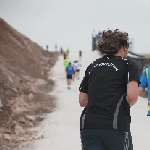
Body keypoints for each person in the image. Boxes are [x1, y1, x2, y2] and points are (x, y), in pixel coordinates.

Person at [79, 29, 139, 150]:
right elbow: (132, 96)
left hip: (89, 127)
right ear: (124, 47)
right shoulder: (128, 64)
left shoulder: (93, 65)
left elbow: (82, 101)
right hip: (115, 127)